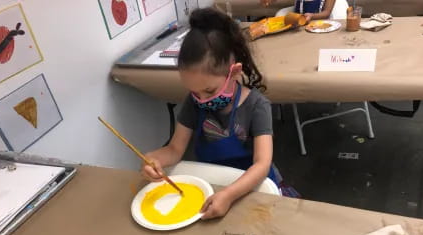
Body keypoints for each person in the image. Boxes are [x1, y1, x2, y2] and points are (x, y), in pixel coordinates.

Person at [141, 8, 294, 220]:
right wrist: (153, 159)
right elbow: (175, 149)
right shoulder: (194, 103)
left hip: (251, 188)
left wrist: (230, 194)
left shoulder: (257, 106)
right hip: (211, 185)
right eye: (194, 92)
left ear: (235, 72)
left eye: (209, 91)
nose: (202, 99)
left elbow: (261, 164)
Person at [262, 0, 348, 22]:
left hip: (320, 20)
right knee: (279, 14)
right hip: (299, 20)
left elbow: (327, 13)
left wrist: (312, 16)